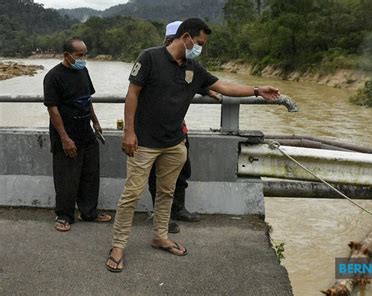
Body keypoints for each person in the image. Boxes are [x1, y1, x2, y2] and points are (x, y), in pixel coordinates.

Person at [106, 18, 280, 272]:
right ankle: (118, 245)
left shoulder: (193, 68)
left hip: (174, 143)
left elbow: (224, 86)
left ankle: (160, 236)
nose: (200, 48)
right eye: (199, 43)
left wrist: (256, 90)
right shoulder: (150, 58)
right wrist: (129, 132)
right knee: (131, 194)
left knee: (167, 193)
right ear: (185, 37)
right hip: (144, 143)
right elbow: (132, 94)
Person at [148, 20, 217, 234]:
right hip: (154, 133)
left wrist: (205, 90)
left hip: (178, 130)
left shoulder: (187, 64)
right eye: (170, 41)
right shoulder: (154, 59)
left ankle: (178, 209)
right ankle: (161, 216)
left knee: (182, 171)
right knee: (157, 176)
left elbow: (191, 80)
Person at [43, 37, 112, 232]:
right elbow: (52, 109)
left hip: (86, 132)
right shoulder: (53, 77)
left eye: (85, 54)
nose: (83, 59)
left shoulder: (83, 71)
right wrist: (65, 138)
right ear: (67, 55)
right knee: (67, 177)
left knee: (90, 173)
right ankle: (64, 215)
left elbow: (87, 99)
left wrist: (96, 122)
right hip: (66, 134)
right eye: (79, 55)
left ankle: (89, 212)